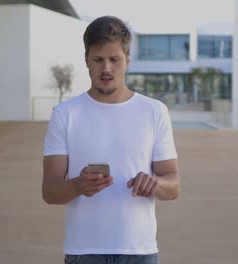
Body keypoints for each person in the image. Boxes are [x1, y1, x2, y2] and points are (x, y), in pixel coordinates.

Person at [42, 15, 180, 264]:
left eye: (114, 59)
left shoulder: (154, 111)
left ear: (127, 60)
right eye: (98, 59)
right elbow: (50, 190)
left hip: (140, 252)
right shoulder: (65, 114)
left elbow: (173, 184)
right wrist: (77, 185)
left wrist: (155, 183)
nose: (106, 68)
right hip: (83, 252)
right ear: (86, 60)